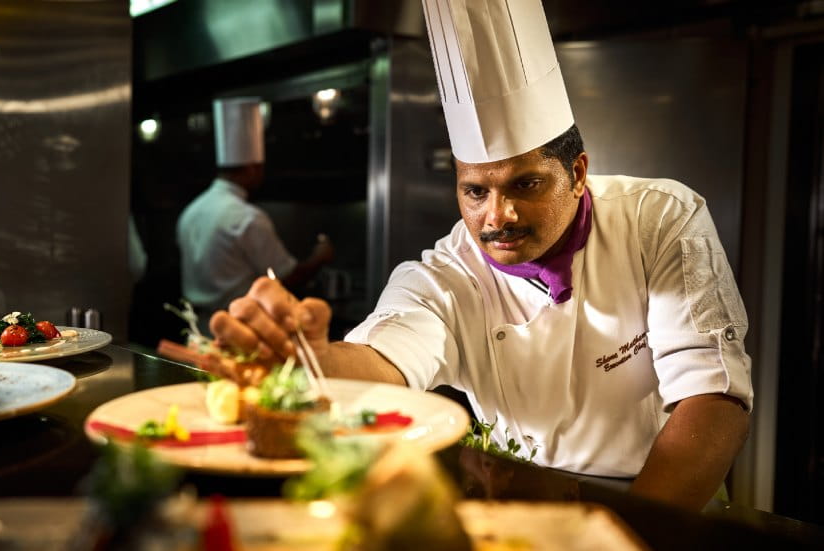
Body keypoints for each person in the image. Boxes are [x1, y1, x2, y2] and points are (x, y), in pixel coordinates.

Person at [206, 0, 752, 511]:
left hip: (666, 499)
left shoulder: (659, 218)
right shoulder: (445, 275)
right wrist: (304, 364)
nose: (498, 216)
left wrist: (633, 531)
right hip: (520, 500)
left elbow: (713, 398)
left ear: (578, 173)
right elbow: (384, 359)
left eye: (526, 184)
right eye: (476, 191)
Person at [176, 97, 334, 332]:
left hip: (194, 329)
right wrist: (319, 257)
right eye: (260, 168)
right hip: (237, 331)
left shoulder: (191, 211)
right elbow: (285, 278)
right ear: (252, 167)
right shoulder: (247, 217)